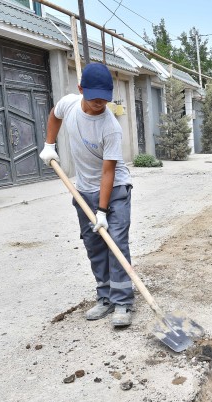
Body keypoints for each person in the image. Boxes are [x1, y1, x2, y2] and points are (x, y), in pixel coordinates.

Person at [39, 62, 135, 328]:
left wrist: (102, 211)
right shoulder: (69, 104)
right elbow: (54, 115)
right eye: (94, 99)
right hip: (84, 190)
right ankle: (105, 297)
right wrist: (49, 144)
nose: (99, 104)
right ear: (81, 90)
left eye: (105, 100)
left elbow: (109, 173)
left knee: (115, 243)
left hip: (114, 190)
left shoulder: (111, 127)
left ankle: (123, 302)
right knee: (94, 246)